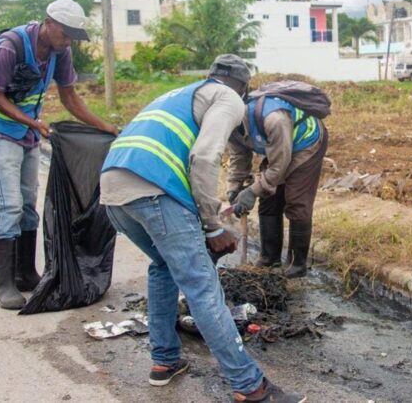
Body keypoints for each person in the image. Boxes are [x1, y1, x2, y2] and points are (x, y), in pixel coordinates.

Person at [100, 55, 304, 402]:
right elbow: (205, 157)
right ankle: (249, 386)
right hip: (153, 189)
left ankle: (164, 360)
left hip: (113, 190)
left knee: (164, 265)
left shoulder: (179, 94)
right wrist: (211, 227)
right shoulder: (227, 98)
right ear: (242, 87)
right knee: (202, 286)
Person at [0, 0, 117, 311]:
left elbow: (70, 96)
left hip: (29, 136)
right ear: (49, 23)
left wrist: (105, 127)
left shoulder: (61, 53)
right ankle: (4, 285)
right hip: (1, 133)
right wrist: (32, 122)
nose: (68, 40)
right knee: (8, 205)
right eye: (65, 33)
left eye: (73, 35)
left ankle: (25, 273)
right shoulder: (10, 47)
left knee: (29, 205)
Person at [227, 85, 328, 278]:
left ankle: (296, 265)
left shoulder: (274, 118)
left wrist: (251, 191)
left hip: (307, 142)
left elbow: (279, 167)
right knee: (269, 199)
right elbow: (239, 157)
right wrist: (234, 189)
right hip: (280, 148)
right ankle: (269, 259)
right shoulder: (230, 127)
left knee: (296, 201)